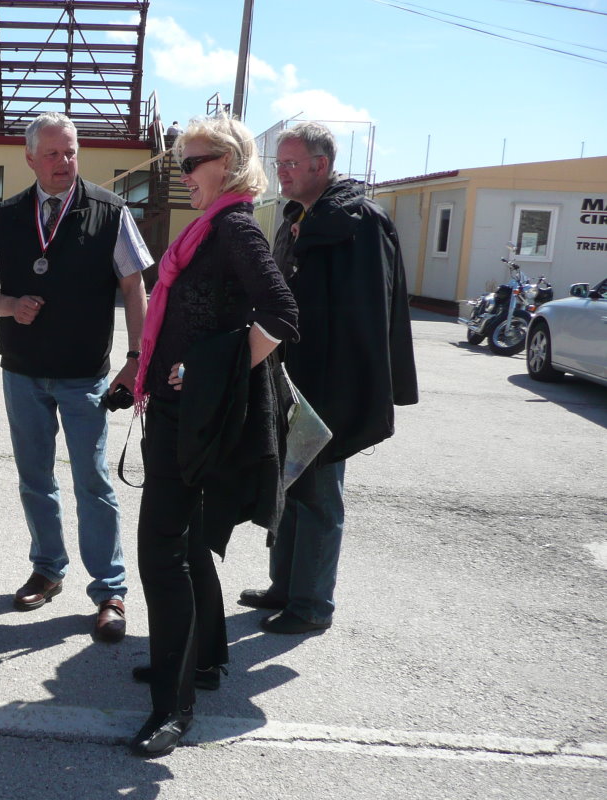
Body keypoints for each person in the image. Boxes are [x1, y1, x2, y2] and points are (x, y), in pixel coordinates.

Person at [127, 115, 299, 758]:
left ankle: (172, 708)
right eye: (179, 164)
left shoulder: (233, 227)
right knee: (188, 542)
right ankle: (200, 661)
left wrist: (210, 375)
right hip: (177, 413)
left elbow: (281, 314)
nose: (182, 176)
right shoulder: (209, 226)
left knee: (161, 552)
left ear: (226, 164)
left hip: (192, 420)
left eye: (191, 163)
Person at [0, 111, 152, 643]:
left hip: (83, 375)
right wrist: (10, 305)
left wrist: (136, 357)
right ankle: (47, 569)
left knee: (93, 482)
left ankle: (109, 590)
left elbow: (134, 286)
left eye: (70, 152)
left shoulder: (110, 212)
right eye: (52, 153)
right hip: (23, 373)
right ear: (30, 158)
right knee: (35, 479)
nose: (63, 162)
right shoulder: (6, 216)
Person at [239, 121, 418, 635]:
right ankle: (284, 586)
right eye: (279, 163)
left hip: (331, 384)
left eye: (291, 163)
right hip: (290, 377)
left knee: (318, 493)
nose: (281, 172)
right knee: (288, 485)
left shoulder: (359, 222)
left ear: (321, 165)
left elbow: (369, 313)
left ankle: (312, 604)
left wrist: (351, 391)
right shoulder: (297, 216)